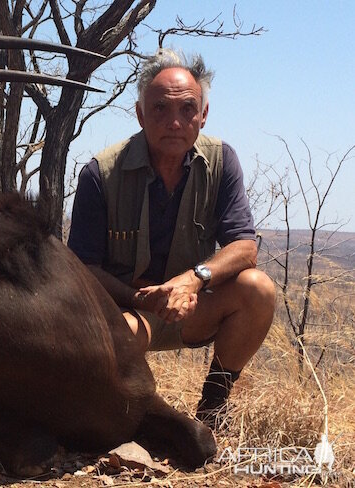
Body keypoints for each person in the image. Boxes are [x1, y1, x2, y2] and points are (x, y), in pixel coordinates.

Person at [68, 48, 276, 428]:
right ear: (140, 114)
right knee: (103, 352)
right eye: (160, 109)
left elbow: (245, 248)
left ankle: (214, 406)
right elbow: (82, 268)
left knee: (258, 289)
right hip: (126, 313)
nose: (174, 122)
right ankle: (122, 417)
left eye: (187, 110)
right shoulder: (101, 173)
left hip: (190, 308)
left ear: (203, 115)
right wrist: (136, 298)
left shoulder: (221, 161)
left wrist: (191, 281)